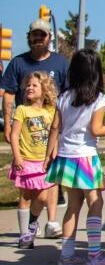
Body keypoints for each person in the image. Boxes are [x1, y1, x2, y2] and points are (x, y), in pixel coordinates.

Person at [44, 48, 105, 265]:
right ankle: (95, 255)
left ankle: (67, 256)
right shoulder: (99, 99)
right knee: (96, 203)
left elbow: (55, 128)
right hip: (86, 157)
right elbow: (96, 129)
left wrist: (49, 155)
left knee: (73, 206)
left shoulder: (64, 97)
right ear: (96, 72)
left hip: (66, 157)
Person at [1, 18, 68, 238]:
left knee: (52, 178)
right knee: (28, 189)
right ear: (29, 36)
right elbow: (9, 94)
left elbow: (68, 95)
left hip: (54, 127)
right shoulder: (18, 63)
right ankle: (29, 228)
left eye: (43, 35)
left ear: (50, 38)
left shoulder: (60, 63)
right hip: (27, 133)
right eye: (34, 34)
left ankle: (51, 223)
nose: (38, 38)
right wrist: (9, 125)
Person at [8, 71, 58, 249]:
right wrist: (17, 156)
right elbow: (14, 135)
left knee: (43, 197)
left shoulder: (51, 111)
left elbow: (55, 135)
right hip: (26, 160)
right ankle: (24, 235)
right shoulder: (22, 110)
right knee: (26, 196)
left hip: (43, 162)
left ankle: (32, 223)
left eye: (34, 85)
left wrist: (53, 155)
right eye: (28, 85)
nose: (29, 87)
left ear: (45, 89)